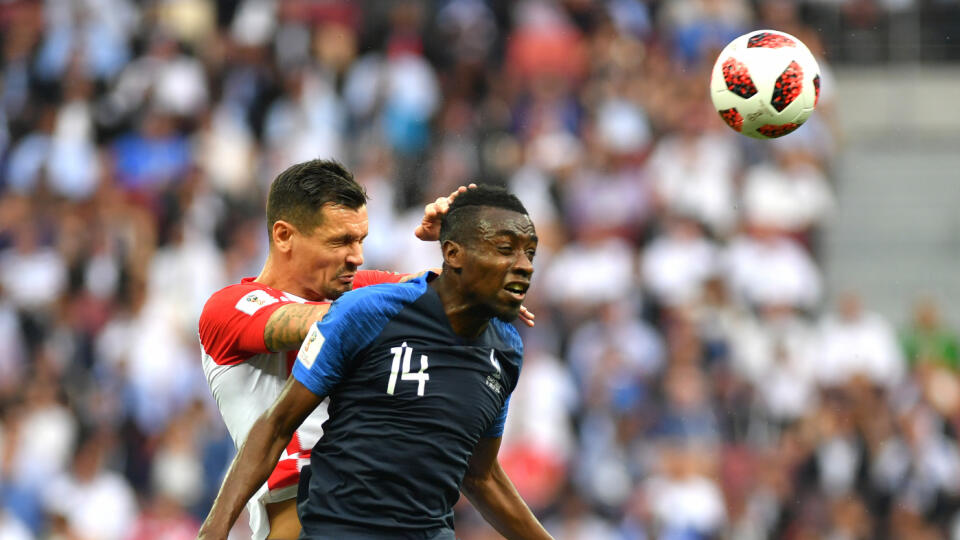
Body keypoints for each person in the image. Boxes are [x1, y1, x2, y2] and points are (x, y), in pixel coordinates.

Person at [198, 160, 532, 539]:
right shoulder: (230, 307)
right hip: (305, 518)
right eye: (340, 241)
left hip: (398, 511)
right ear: (284, 235)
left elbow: (433, 300)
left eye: (361, 241)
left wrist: (473, 269)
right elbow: (331, 321)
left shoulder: (363, 292)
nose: (356, 257)